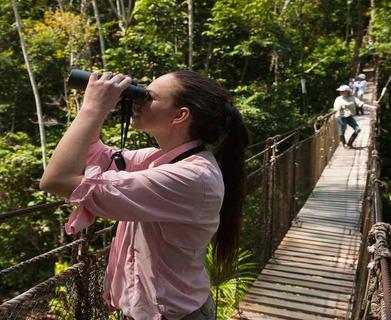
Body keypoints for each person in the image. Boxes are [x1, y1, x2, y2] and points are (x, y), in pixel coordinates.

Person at [39, 70, 250, 320]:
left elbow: (56, 180)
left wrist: (92, 108)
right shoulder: (161, 159)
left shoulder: (191, 177)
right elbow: (92, 155)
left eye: (148, 97)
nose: (137, 101)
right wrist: (100, 106)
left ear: (180, 116)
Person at [333, 84, 373, 149]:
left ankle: (350, 143)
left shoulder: (352, 98)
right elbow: (336, 108)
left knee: (357, 129)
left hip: (349, 116)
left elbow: (361, 104)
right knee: (342, 130)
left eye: (343, 91)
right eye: (340, 91)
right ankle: (344, 144)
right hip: (341, 117)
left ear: (347, 91)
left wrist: (372, 107)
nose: (341, 92)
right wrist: (341, 107)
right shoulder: (338, 99)